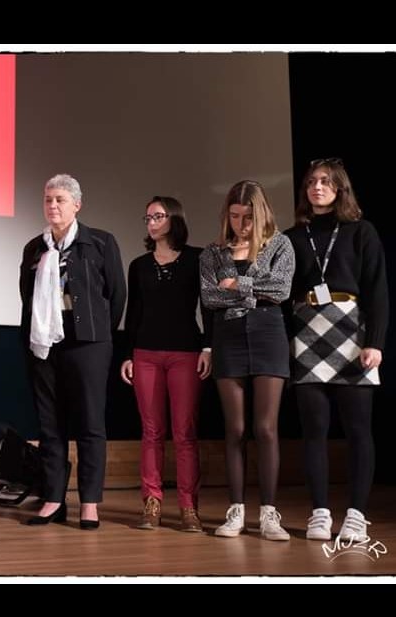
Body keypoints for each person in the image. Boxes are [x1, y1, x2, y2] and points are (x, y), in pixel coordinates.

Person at [285, 158, 387, 542]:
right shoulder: (294, 237)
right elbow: (283, 296)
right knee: (314, 430)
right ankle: (320, 514)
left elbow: (378, 291)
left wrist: (374, 342)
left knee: (358, 429)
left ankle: (357, 515)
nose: (317, 187)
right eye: (311, 181)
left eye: (326, 181)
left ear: (340, 188)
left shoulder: (361, 232)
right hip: (307, 331)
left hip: (352, 332)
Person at [20, 173, 125, 530]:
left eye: (60, 200)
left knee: (90, 423)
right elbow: (26, 296)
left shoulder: (100, 242)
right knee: (50, 424)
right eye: (48, 199)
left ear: (77, 205)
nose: (52, 205)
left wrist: (99, 335)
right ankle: (53, 499)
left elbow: (116, 294)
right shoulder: (35, 247)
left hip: (89, 343)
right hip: (45, 343)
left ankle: (90, 502)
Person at [199, 180, 293, 541]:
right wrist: (255, 290)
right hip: (229, 339)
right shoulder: (213, 252)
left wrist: (236, 287)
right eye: (235, 216)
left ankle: (269, 514)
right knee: (235, 429)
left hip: (269, 335)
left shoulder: (280, 244)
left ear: (261, 214)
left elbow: (281, 290)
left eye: (248, 217)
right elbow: (209, 298)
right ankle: (236, 510)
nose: (242, 224)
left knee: (266, 428)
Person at [120, 197, 211, 532]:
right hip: (145, 354)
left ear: (174, 218)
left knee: (185, 433)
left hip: (186, 353)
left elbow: (209, 307)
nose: (151, 222)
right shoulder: (139, 265)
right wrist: (127, 354)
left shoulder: (197, 259)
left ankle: (189, 507)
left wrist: (208, 347)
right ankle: (152, 502)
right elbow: (134, 315)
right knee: (151, 431)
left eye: (158, 216)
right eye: (148, 217)